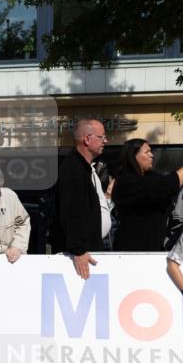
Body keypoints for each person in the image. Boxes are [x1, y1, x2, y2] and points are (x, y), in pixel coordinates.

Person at [111, 138, 183, 252]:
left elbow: (173, 182)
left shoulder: (151, 177)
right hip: (131, 250)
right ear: (133, 155)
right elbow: (166, 186)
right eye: (147, 152)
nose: (152, 155)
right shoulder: (126, 181)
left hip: (155, 248)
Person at [50, 119, 110, 279]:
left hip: (85, 252)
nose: (106, 141)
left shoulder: (83, 168)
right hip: (77, 258)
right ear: (87, 139)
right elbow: (70, 213)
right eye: (102, 137)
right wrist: (79, 250)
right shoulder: (72, 170)